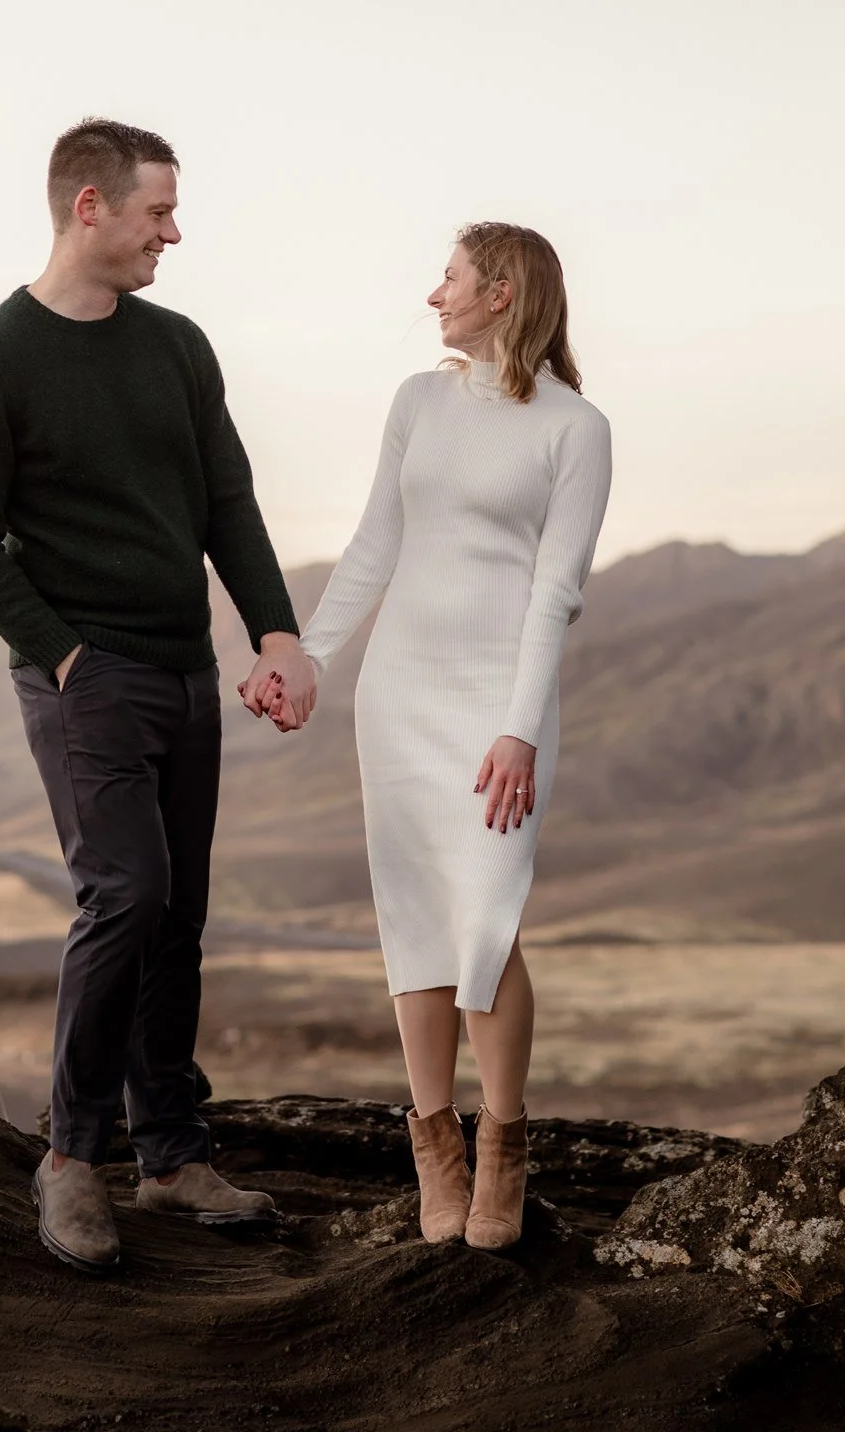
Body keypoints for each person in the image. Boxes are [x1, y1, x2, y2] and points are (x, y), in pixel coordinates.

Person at [0, 117, 317, 1273]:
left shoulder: (178, 347)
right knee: (126, 893)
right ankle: (71, 1156)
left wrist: (276, 629)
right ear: (88, 207)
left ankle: (170, 1154)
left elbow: (227, 504)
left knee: (179, 912)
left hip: (186, 672)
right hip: (84, 677)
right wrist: (64, 657)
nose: (174, 231)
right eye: (157, 211)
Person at [243, 223, 611, 1251]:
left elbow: (556, 593)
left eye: (449, 276)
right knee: (414, 919)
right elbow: (375, 543)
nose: (433, 291)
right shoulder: (417, 401)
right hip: (399, 693)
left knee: (486, 913)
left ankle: (504, 1138)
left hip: (498, 698)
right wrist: (308, 653)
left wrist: (520, 726)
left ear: (501, 291)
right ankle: (433, 1143)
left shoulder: (576, 429)